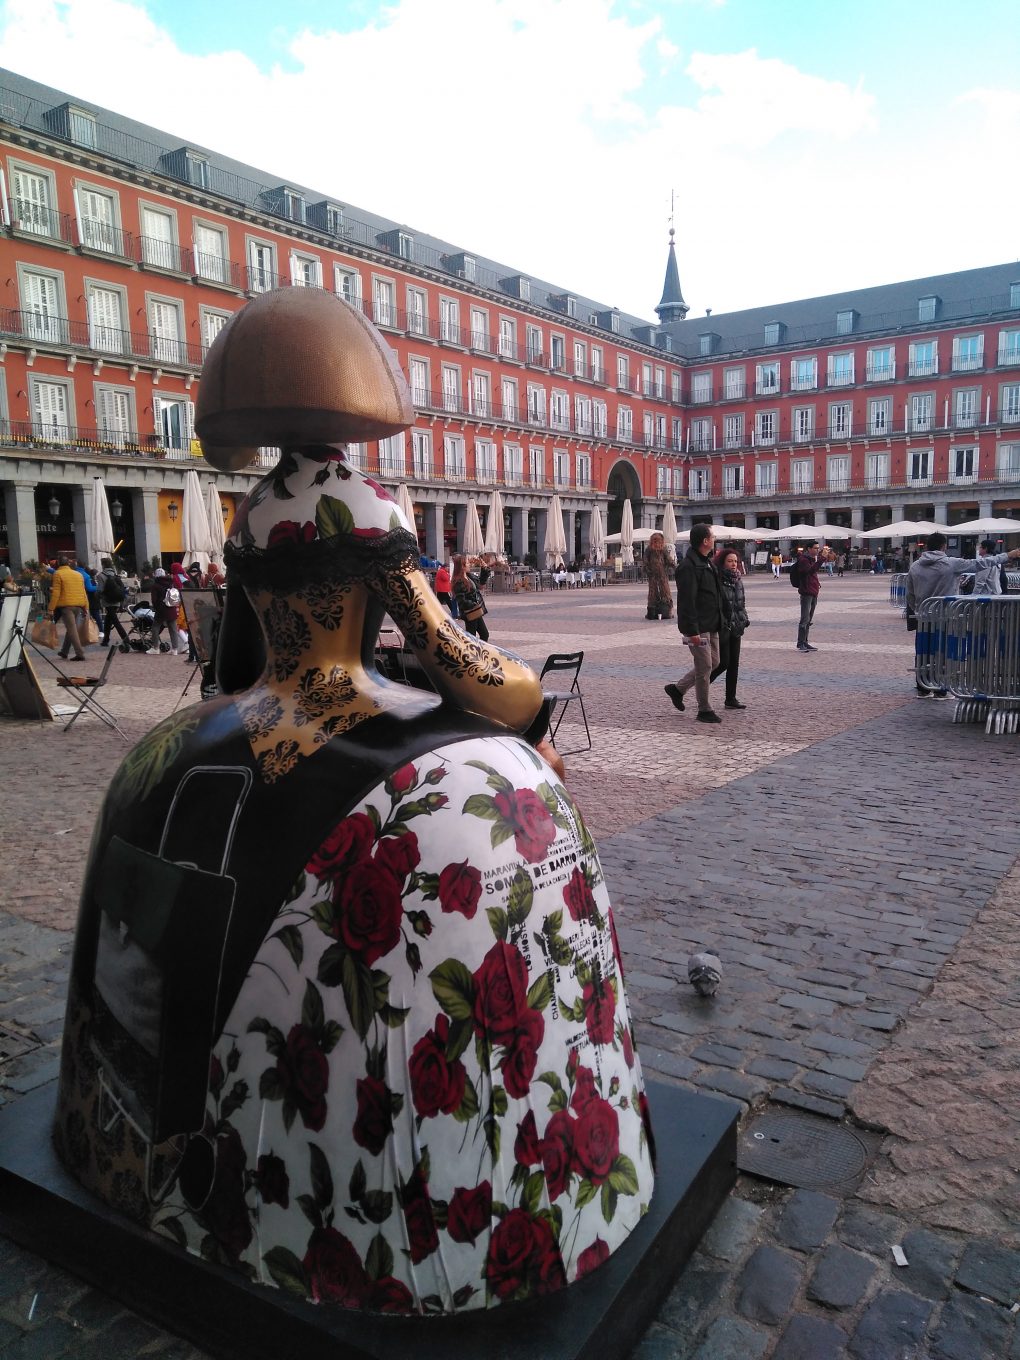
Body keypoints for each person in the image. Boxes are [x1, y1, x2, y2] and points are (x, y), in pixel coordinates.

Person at [54, 286, 653, 1315]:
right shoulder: (367, 511)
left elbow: (231, 669)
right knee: (497, 792)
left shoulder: (251, 519)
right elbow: (472, 672)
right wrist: (514, 699)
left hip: (256, 719)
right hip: (355, 705)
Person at [906, 533, 1020, 698]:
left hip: (924, 616)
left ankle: (922, 687)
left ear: (927, 546)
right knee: (943, 652)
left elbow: (909, 594)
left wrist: (917, 608)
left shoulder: (915, 566)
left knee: (924, 650)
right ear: (944, 546)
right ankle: (940, 689)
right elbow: (981, 563)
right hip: (945, 616)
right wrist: (1007, 555)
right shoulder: (951, 564)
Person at [665, 523, 729, 724]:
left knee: (715, 662)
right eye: (712, 536)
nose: (714, 539)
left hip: (711, 623)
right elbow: (686, 602)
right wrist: (691, 630)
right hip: (698, 626)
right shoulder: (689, 567)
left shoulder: (707, 562)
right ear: (705, 541)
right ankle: (704, 709)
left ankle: (678, 689)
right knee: (705, 665)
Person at [709, 548, 749, 709]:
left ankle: (730, 698)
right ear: (722, 562)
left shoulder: (738, 580)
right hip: (724, 627)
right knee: (722, 662)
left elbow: (741, 602)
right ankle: (701, 684)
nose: (734, 564)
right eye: (730, 561)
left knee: (734, 664)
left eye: (735, 561)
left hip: (737, 626)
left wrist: (744, 618)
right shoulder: (717, 579)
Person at [47, 553, 88, 660]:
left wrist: (51, 608)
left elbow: (56, 593)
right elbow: (83, 591)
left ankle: (80, 654)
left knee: (72, 630)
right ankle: (64, 651)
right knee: (71, 628)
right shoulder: (78, 574)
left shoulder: (58, 574)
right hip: (78, 604)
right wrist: (85, 606)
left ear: (58, 563)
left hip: (66, 605)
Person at [794, 542, 834, 653]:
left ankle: (805, 641)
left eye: (818, 548)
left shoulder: (811, 559)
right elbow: (811, 571)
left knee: (809, 619)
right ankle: (800, 642)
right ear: (809, 549)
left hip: (813, 592)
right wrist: (822, 559)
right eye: (815, 548)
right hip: (806, 592)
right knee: (804, 618)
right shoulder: (803, 560)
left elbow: (813, 573)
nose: (817, 550)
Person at [147, 566, 186, 655]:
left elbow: (154, 600)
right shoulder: (170, 583)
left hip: (161, 609)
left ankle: (156, 648)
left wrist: (156, 608)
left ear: (156, 576)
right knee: (173, 629)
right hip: (171, 608)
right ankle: (175, 649)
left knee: (155, 627)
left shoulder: (155, 585)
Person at [451, 553, 490, 639]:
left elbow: (480, 584)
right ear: (462, 566)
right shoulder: (458, 581)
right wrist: (473, 604)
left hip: (476, 610)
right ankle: (471, 652)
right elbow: (461, 601)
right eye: (467, 563)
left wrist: (484, 569)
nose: (469, 565)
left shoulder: (469, 576)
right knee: (471, 636)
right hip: (470, 612)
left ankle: (478, 651)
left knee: (484, 634)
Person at [97, 556, 131, 651]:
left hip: (107, 601)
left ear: (103, 565)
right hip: (116, 600)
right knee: (108, 620)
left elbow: (100, 589)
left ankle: (126, 639)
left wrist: (98, 596)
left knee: (115, 622)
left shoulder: (101, 576)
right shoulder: (115, 575)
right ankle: (105, 640)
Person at [644, 530, 673, 620]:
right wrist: (675, 566)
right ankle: (666, 613)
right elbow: (669, 560)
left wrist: (648, 571)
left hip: (653, 575)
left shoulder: (649, 549)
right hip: (662, 575)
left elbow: (645, 562)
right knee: (665, 593)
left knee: (653, 593)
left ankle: (652, 613)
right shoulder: (662, 549)